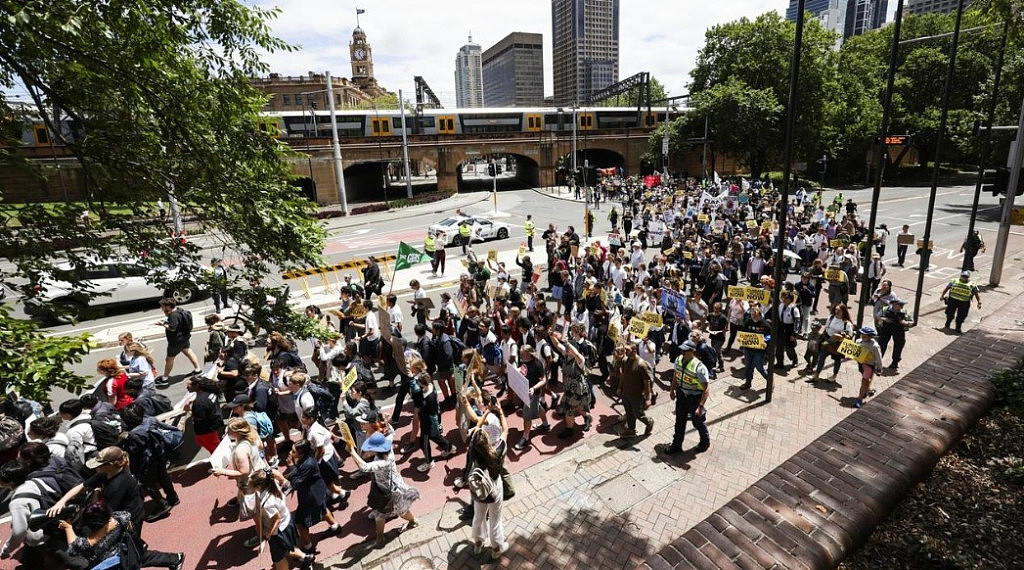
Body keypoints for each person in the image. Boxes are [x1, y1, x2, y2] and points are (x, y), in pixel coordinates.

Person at [59, 502, 185, 570]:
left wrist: (68, 527)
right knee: (145, 557)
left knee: (145, 558)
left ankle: (175, 559)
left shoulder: (88, 542)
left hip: (115, 563)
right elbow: (128, 520)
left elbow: (73, 548)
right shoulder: (120, 518)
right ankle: (176, 559)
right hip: (128, 549)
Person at [348, 431, 421, 549]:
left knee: (384, 514)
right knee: (399, 510)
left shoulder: (383, 462)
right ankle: (408, 522)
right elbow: (392, 432)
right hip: (385, 488)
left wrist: (352, 452)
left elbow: (365, 467)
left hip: (392, 491)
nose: (367, 450)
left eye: (370, 448)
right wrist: (386, 423)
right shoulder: (386, 448)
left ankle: (381, 538)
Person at [245, 468, 315, 568]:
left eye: (251, 484)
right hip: (287, 522)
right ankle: (306, 558)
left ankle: (305, 558)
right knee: (288, 548)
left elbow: (276, 519)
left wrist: (265, 538)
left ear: (259, 486)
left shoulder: (267, 503)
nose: (249, 485)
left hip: (279, 532)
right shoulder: (272, 483)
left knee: (278, 559)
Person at [285, 439, 341, 553]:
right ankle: (335, 526)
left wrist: (291, 466)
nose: (290, 453)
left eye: (294, 451)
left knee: (300, 522)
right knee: (323, 510)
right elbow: (298, 473)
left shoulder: (308, 464)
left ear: (302, 453)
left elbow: (297, 483)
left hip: (311, 497)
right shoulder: (307, 459)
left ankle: (308, 547)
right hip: (318, 493)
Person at [657, 340, 711, 455]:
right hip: (682, 396)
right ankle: (676, 445)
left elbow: (706, 389)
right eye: (682, 350)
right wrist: (672, 390)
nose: (683, 352)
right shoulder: (679, 360)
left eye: (685, 351)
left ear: (692, 352)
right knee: (679, 421)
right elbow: (676, 376)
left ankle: (705, 442)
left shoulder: (699, 368)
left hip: (695, 399)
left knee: (698, 422)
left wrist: (700, 406)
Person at [466, 429, 510, 559]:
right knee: (495, 520)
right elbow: (505, 430)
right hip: (494, 488)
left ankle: (478, 544)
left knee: (479, 517)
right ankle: (496, 549)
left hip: (480, 490)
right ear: (487, 440)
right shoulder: (498, 449)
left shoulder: (472, 452)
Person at [512, 345, 551, 451]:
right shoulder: (523, 360)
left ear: (528, 353)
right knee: (538, 407)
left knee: (527, 416)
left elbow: (543, 380)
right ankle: (545, 425)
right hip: (524, 391)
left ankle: (525, 437)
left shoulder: (537, 364)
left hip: (533, 394)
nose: (520, 353)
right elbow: (523, 371)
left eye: (522, 352)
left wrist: (533, 389)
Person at [155, 298, 201, 387]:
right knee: (188, 351)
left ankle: (165, 379)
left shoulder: (173, 315)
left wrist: (163, 324)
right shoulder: (180, 310)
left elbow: (172, 328)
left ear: (168, 306)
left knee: (169, 359)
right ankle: (198, 369)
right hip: (184, 337)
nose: (161, 308)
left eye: (163, 306)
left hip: (176, 341)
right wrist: (166, 322)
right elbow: (178, 323)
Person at [613, 343, 654, 438]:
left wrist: (648, 398)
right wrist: (619, 387)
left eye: (628, 350)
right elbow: (623, 375)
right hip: (626, 392)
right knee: (629, 412)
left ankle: (649, 422)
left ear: (634, 351)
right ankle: (631, 430)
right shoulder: (626, 361)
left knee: (639, 414)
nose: (625, 352)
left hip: (637, 395)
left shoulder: (641, 364)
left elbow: (646, 382)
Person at [811, 303, 855, 381]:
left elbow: (849, 335)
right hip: (827, 341)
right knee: (821, 357)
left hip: (838, 344)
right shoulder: (831, 317)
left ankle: (834, 376)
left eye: (839, 310)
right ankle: (816, 375)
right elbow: (826, 328)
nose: (837, 311)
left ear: (843, 311)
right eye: (836, 310)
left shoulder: (847, 324)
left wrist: (840, 336)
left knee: (837, 360)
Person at [878, 298, 914, 372]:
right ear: (894, 304)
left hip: (899, 330)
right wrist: (885, 319)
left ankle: (895, 362)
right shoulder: (885, 309)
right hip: (887, 328)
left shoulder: (904, 312)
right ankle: (877, 361)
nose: (902, 307)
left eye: (902, 305)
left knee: (899, 345)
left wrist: (905, 323)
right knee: (882, 344)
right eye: (900, 305)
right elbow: (877, 316)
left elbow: (912, 322)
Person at [853, 327, 884, 409]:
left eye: (865, 336)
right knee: (866, 379)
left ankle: (859, 399)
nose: (863, 337)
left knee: (864, 380)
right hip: (861, 364)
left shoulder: (874, 346)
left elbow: (879, 358)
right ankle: (868, 389)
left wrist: (879, 368)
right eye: (862, 335)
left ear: (870, 336)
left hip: (869, 366)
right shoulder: (858, 342)